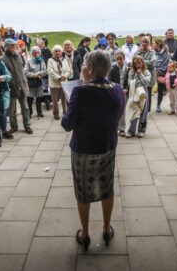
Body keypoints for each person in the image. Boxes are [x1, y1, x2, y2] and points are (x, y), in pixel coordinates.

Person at [62, 50, 125, 252]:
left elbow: (67, 124)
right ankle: (107, 229)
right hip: (107, 146)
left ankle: (85, 233)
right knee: (107, 187)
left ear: (90, 69)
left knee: (83, 190)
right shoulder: (117, 89)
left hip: (83, 149)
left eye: (84, 67)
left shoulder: (80, 91)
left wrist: (68, 108)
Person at [0, 38, 33, 134]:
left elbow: (22, 71)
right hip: (11, 88)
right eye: (13, 46)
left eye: (15, 45)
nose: (15, 47)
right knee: (12, 110)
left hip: (22, 86)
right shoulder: (1, 60)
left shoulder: (19, 56)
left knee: (25, 108)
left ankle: (27, 125)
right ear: (7, 47)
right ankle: (14, 126)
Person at [124, 56, 151, 138]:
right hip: (134, 93)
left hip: (143, 94)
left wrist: (141, 75)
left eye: (139, 63)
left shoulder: (146, 71)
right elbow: (130, 82)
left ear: (142, 63)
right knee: (133, 110)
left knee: (143, 112)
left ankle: (141, 130)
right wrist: (137, 76)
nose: (137, 65)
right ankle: (131, 130)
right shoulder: (131, 72)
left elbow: (146, 82)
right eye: (135, 64)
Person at [47, 45, 72, 120]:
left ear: (61, 52)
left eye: (59, 51)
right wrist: (59, 78)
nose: (58, 52)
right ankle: (56, 113)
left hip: (64, 83)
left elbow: (68, 70)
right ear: (53, 52)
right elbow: (50, 72)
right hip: (54, 84)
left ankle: (65, 113)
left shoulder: (65, 60)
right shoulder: (50, 60)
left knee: (64, 100)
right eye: (56, 51)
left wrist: (65, 76)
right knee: (55, 101)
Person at [24, 46, 47, 118]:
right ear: (32, 53)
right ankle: (30, 112)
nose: (36, 54)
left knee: (39, 98)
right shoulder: (28, 61)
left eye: (38, 52)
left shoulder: (42, 61)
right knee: (30, 98)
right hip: (31, 82)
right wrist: (33, 75)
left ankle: (39, 112)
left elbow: (45, 71)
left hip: (39, 82)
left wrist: (40, 74)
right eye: (35, 52)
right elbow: (25, 72)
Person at [109, 50, 128, 135]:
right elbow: (110, 81)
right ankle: (115, 127)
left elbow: (130, 80)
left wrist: (126, 88)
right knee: (115, 110)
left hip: (124, 91)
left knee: (124, 110)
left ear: (124, 59)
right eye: (118, 59)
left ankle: (123, 128)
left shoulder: (128, 69)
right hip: (116, 91)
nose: (119, 61)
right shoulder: (113, 69)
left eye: (121, 59)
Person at [136, 37, 156, 115]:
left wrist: (141, 62)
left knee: (148, 94)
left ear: (149, 43)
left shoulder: (152, 52)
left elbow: (152, 63)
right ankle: (140, 108)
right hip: (139, 76)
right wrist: (144, 63)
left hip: (149, 76)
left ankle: (147, 110)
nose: (144, 43)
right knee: (140, 93)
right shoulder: (138, 52)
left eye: (146, 42)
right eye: (143, 42)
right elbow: (134, 61)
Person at [153, 39, 169, 113]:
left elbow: (165, 66)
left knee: (160, 91)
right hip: (153, 74)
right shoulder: (153, 53)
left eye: (154, 43)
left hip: (161, 75)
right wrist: (154, 71)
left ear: (158, 45)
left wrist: (158, 72)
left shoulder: (165, 55)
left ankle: (158, 105)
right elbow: (151, 62)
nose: (153, 45)